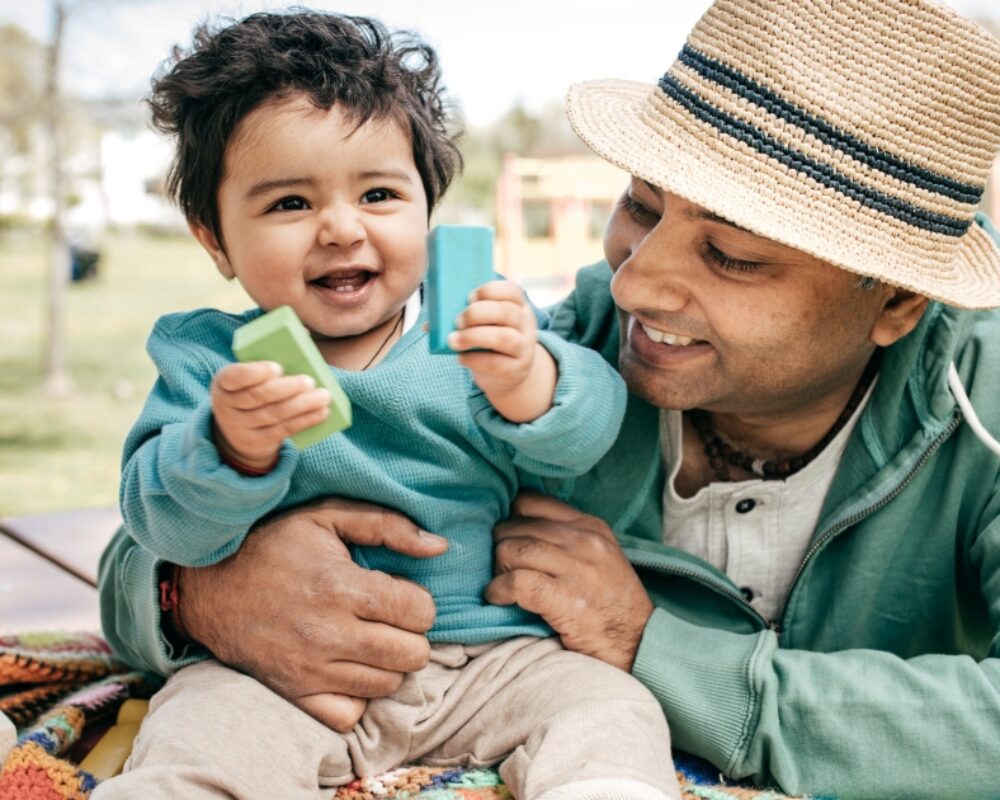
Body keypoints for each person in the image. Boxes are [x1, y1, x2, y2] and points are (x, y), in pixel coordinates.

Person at [98, 0, 1000, 797]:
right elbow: (137, 541)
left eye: (730, 256)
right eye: (642, 208)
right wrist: (195, 592)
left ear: (894, 300)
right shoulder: (553, 348)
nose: (638, 284)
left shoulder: (982, 407)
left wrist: (658, 650)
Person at [94, 11, 683, 800]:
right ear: (214, 238)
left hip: (492, 662)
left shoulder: (469, 331)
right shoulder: (211, 361)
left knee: (608, 707)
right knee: (199, 727)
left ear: (426, 209)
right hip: (281, 681)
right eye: (289, 205)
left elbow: (586, 437)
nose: (342, 229)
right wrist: (228, 449)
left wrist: (528, 382)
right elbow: (161, 524)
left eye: (378, 193)